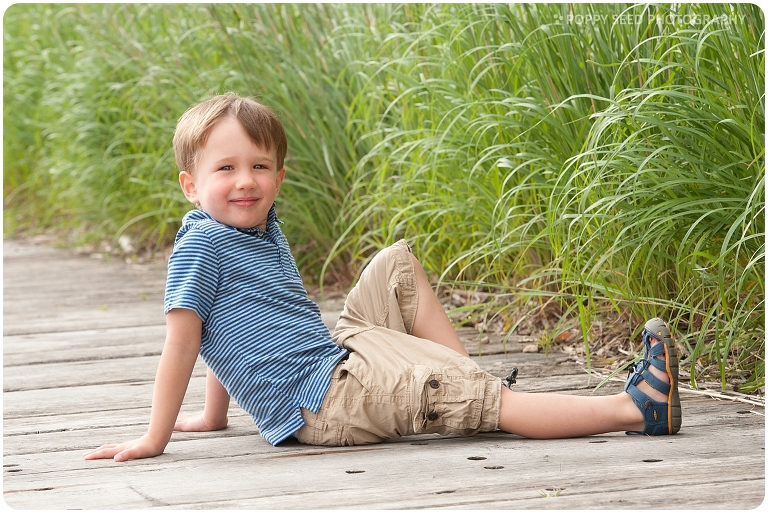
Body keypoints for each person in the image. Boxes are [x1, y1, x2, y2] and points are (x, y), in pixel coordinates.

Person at [84, 94, 682, 462]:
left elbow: (229, 326)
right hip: (325, 403)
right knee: (489, 404)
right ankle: (635, 409)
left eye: (259, 166)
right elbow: (186, 339)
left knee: (395, 261)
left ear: (280, 176)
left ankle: (464, 383)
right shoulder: (204, 243)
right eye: (226, 169)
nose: (246, 181)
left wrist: (215, 417)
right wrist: (155, 437)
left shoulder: (261, 229)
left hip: (334, 362)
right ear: (190, 184)